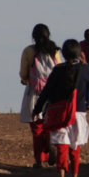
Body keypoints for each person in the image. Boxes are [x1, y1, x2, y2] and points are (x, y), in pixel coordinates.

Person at [32, 39, 89, 177]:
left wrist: (37, 109)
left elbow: (46, 91)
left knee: (61, 147)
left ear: (62, 54)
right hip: (78, 114)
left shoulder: (57, 70)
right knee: (75, 148)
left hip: (59, 114)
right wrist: (85, 63)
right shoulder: (84, 69)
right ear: (79, 54)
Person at [19, 23, 61, 168]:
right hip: (53, 95)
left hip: (34, 95)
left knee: (37, 130)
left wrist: (25, 80)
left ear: (33, 37)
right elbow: (60, 69)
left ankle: (40, 161)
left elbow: (24, 74)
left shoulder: (28, 51)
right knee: (50, 126)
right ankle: (51, 145)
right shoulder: (54, 51)